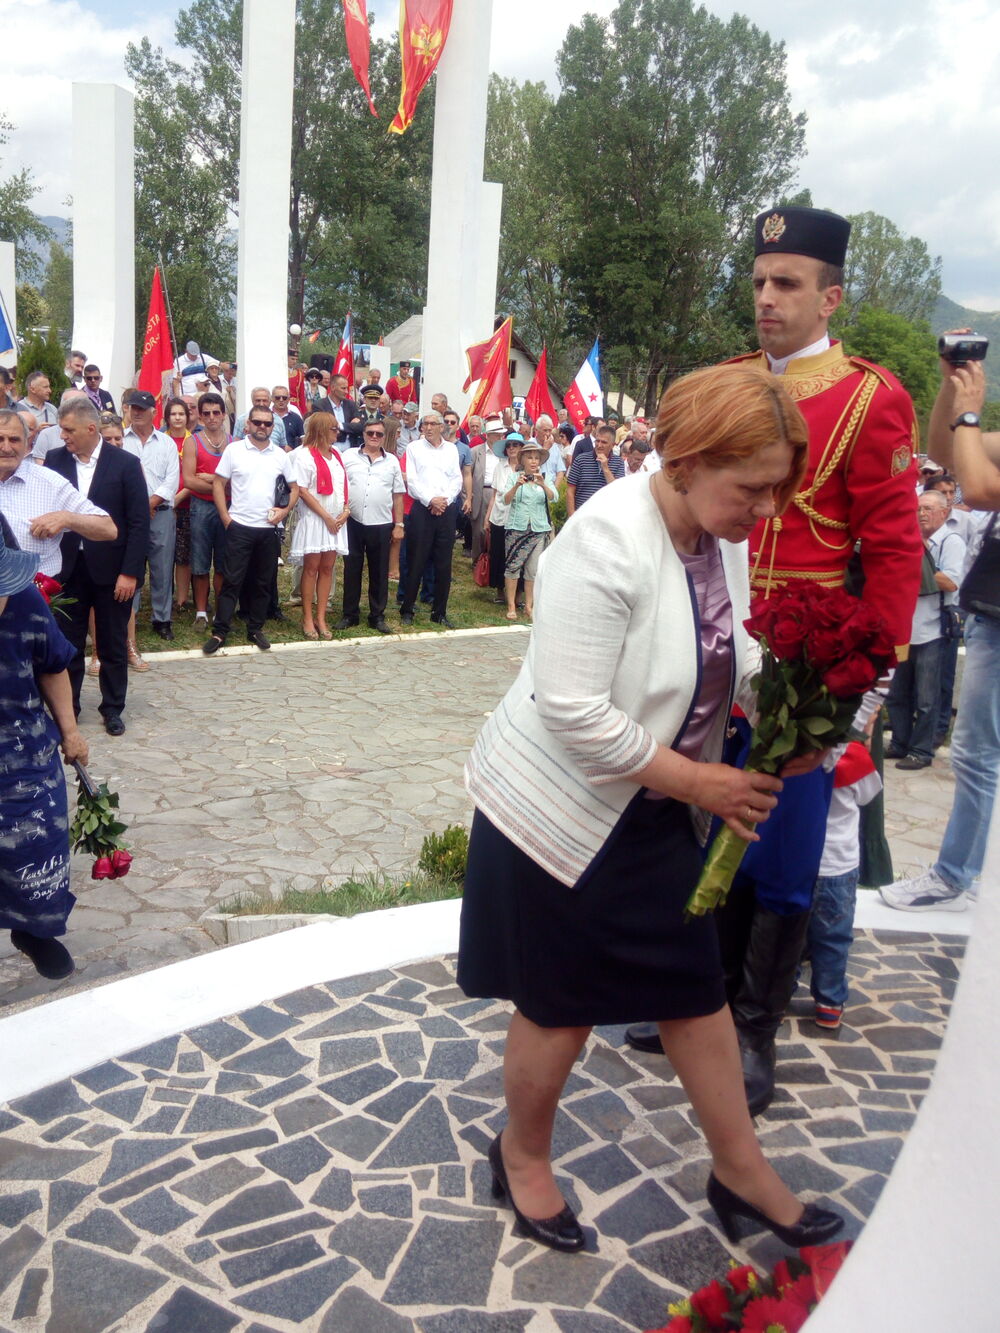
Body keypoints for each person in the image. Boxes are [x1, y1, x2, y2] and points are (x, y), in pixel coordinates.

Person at [458, 363, 842, 1255]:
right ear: (687, 459)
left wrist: (790, 704)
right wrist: (704, 781)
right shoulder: (603, 539)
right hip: (559, 814)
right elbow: (574, 710)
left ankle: (740, 1169)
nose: (765, 510)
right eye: (754, 488)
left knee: (693, 989)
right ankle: (520, 1154)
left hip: (653, 804)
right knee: (560, 1008)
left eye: (774, 489)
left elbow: (724, 643)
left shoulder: (720, 526)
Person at [625, 206, 924, 1117]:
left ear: (831, 295)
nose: (766, 298)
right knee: (703, 826)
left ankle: (755, 1026)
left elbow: (895, 547)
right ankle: (694, 999)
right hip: (714, 638)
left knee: (785, 848)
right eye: (759, 281)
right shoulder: (724, 386)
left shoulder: (875, 399)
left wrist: (861, 690)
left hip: (808, 667)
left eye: (787, 283)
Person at [881, 349, 1000, 912]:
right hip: (991, 617)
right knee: (978, 754)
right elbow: (948, 453)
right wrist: (950, 389)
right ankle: (960, 873)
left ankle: (957, 874)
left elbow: (977, 489)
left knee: (979, 754)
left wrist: (973, 413)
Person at [0, 528, 88, 980]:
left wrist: (70, 732)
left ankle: (33, 930)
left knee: (37, 845)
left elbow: (52, 665)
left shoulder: (26, 602)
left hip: (26, 753)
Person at [43, 400, 150, 736]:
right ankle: (68, 709)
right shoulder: (55, 460)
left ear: (91, 429)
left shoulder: (126, 464)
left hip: (112, 571)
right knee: (67, 644)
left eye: (69, 430)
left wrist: (130, 572)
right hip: (66, 569)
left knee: (112, 644)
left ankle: (113, 708)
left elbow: (138, 522)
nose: (63, 436)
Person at [203, 406, 298, 654]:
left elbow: (295, 488)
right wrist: (225, 517)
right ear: (248, 425)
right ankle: (220, 631)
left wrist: (284, 511)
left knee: (263, 582)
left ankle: (255, 628)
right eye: (257, 422)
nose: (262, 427)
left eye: (268, 424)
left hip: (268, 529)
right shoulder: (234, 450)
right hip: (239, 526)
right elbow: (219, 483)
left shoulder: (280, 455)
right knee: (231, 580)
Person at [885, 490, 965, 770]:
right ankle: (900, 742)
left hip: (933, 629)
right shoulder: (909, 541)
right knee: (897, 692)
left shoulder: (950, 542)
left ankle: (921, 750)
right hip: (905, 627)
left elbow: (952, 582)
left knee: (927, 697)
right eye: (919, 508)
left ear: (944, 513)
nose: (922, 514)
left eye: (929, 509)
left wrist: (913, 567)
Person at [806, 741, 882, 1030]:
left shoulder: (795, 750)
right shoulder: (853, 754)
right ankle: (829, 1002)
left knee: (786, 936)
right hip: (838, 865)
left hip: (799, 862)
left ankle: (777, 994)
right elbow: (868, 794)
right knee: (834, 939)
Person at [0, 409, 116, 574]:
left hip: (36, 591)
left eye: (14, 440)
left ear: (27, 442)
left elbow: (108, 529)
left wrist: (67, 518)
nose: (6, 447)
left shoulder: (50, 483)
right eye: (0, 439)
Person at [338, 419, 405, 634]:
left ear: (384, 437)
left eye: (379, 434)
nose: (374, 437)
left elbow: (398, 495)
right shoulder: (348, 456)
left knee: (379, 572)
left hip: (381, 523)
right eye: (370, 433)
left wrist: (399, 524)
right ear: (364, 434)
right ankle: (350, 614)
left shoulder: (392, 461)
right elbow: (340, 485)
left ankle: (377, 616)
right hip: (353, 521)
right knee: (352, 569)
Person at [123, 389, 180, 641]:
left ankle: (162, 619)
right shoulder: (120, 441)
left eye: (141, 409)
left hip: (161, 514)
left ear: (153, 413)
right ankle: (128, 616)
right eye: (132, 408)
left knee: (162, 567)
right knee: (130, 565)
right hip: (127, 516)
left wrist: (150, 503)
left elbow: (171, 481)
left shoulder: (166, 443)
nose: (135, 412)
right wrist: (139, 509)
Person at [399, 410, 462, 628]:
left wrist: (445, 501)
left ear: (442, 427)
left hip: (446, 510)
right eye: (425, 424)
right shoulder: (414, 448)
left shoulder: (452, 450)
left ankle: (439, 611)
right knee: (416, 560)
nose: (428, 427)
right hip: (422, 510)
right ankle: (407, 608)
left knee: (444, 563)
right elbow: (413, 481)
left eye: (432, 424)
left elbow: (456, 479)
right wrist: (430, 501)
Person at [289, 413, 349, 640]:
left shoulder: (337, 455)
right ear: (322, 430)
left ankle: (321, 616)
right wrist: (326, 517)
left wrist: (344, 511)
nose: (338, 433)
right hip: (316, 519)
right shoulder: (304, 456)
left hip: (335, 520)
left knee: (327, 568)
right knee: (311, 568)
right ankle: (307, 617)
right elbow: (302, 490)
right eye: (334, 429)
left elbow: (343, 485)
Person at [183, 393, 231, 630]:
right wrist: (221, 484)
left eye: (216, 412)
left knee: (223, 562)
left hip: (229, 508)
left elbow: (239, 481)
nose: (212, 417)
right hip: (201, 506)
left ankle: (222, 612)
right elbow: (190, 481)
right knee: (200, 561)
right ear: (200, 416)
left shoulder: (234, 443)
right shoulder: (192, 442)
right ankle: (201, 612)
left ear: (223, 414)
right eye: (207, 413)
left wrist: (213, 480)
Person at [501, 439, 556, 620]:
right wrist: (517, 485)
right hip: (517, 527)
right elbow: (505, 500)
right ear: (522, 460)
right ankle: (511, 606)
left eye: (536, 458)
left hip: (539, 529)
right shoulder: (513, 477)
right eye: (530, 458)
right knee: (513, 567)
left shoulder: (545, 478)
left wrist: (543, 484)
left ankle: (529, 606)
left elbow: (554, 497)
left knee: (533, 569)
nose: (533, 461)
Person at [163, 397, 194, 613]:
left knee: (183, 554)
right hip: (162, 505)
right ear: (167, 417)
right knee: (163, 555)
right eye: (173, 414)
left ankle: (182, 599)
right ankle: (164, 596)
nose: (177, 417)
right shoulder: (160, 440)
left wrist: (179, 497)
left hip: (188, 504)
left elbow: (197, 475)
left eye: (181, 414)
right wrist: (166, 499)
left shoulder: (194, 441)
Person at [484, 433, 522, 601]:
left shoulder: (527, 468)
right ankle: (500, 591)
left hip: (520, 519)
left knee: (519, 556)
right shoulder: (499, 467)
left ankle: (518, 595)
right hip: (499, 517)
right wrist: (487, 517)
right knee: (498, 554)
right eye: (509, 445)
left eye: (515, 444)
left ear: (522, 448)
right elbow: (494, 495)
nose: (512, 448)